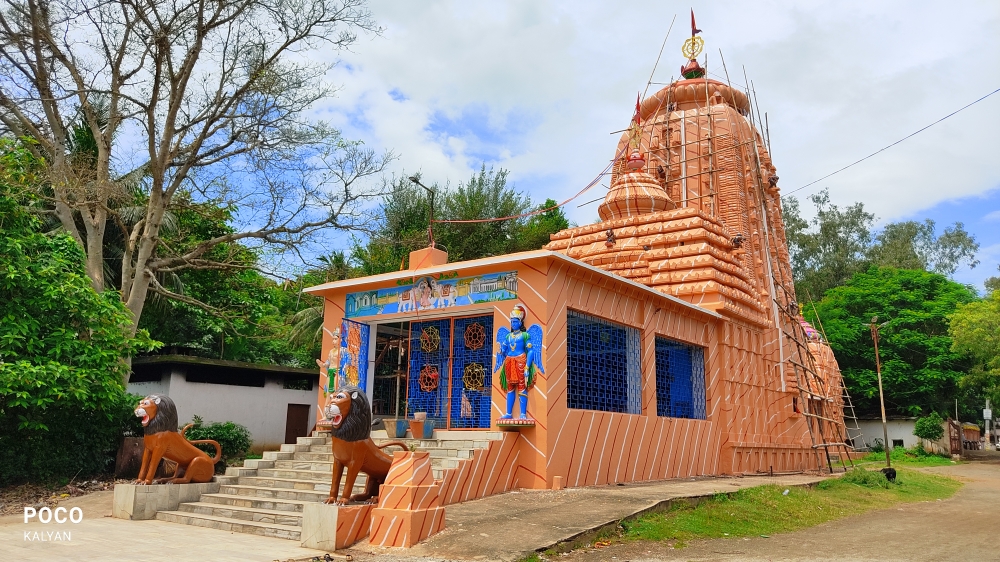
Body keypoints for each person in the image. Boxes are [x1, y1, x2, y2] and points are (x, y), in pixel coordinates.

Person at [494, 304, 543, 419]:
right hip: (509, 362)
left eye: (515, 322)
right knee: (510, 387)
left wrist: (527, 367)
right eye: (511, 322)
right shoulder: (508, 336)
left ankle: (522, 414)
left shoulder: (525, 335)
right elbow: (504, 351)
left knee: (522, 386)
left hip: (521, 361)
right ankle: (508, 413)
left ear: (520, 323)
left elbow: (530, 351)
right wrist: (500, 350)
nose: (513, 324)